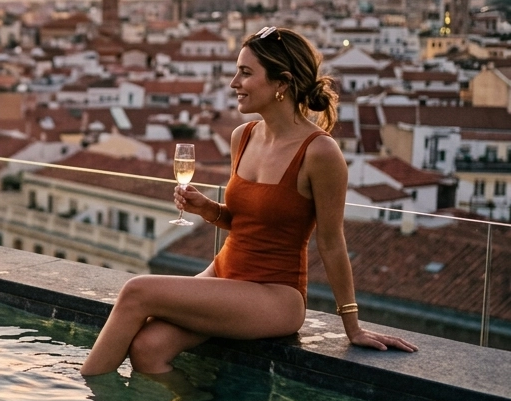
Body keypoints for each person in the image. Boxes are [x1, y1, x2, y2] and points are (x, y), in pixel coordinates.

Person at [81, 25, 415, 377]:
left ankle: (83, 393)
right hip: (224, 274)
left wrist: (353, 327)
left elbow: (331, 243)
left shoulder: (320, 152)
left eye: (245, 73)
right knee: (148, 348)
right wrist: (208, 209)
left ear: (281, 83)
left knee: (136, 290)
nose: (233, 83)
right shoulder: (243, 136)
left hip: (275, 296)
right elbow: (245, 220)